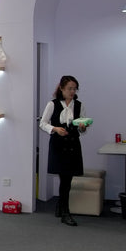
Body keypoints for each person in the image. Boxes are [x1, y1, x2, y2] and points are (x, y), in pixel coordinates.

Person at [38, 75, 86, 226]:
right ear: (62, 89)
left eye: (74, 89)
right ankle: (65, 212)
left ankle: (61, 207)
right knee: (65, 179)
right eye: (69, 88)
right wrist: (55, 129)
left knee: (67, 180)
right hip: (58, 146)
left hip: (73, 145)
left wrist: (82, 127)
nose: (72, 92)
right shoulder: (52, 104)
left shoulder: (79, 105)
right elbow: (43, 123)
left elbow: (81, 127)